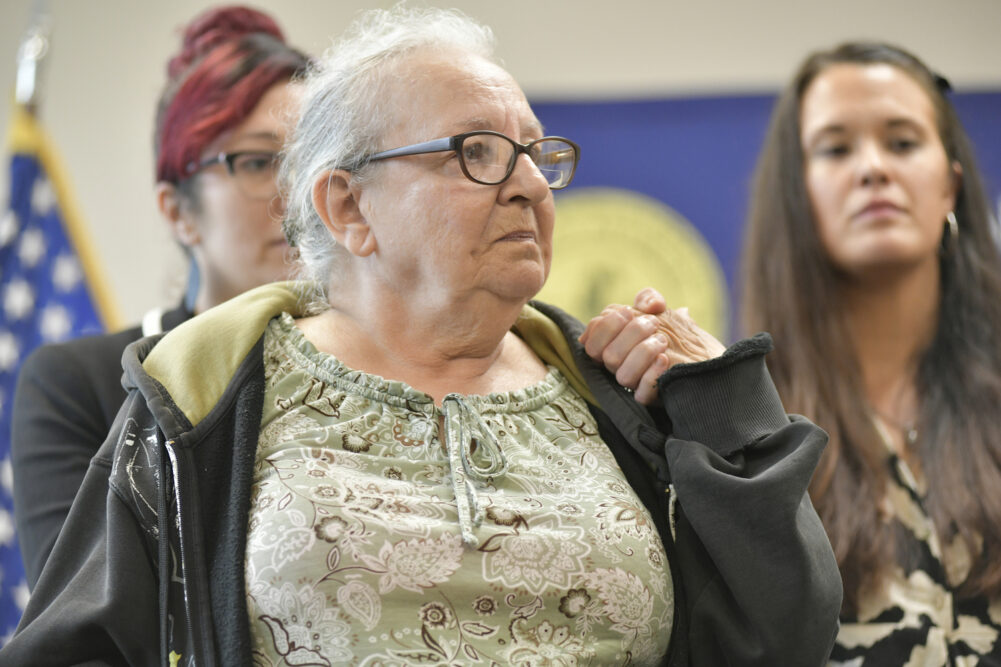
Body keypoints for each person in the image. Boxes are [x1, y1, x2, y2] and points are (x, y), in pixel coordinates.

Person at [2, 7, 841, 665]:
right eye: (475, 152)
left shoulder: (616, 391)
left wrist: (722, 405)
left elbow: (789, 633)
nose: (526, 186)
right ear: (347, 207)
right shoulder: (202, 393)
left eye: (533, 152)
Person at [10, 5, 310, 588]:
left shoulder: (390, 372)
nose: (298, 194)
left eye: (317, 161)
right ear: (179, 211)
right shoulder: (80, 386)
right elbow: (83, 623)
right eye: (257, 161)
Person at [738, 42, 1001, 662]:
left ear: (951, 187)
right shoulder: (744, 424)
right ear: (797, 194)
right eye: (835, 148)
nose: (873, 168)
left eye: (903, 142)